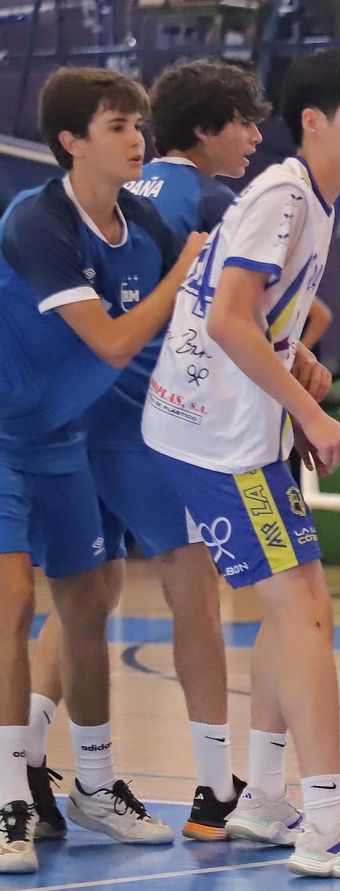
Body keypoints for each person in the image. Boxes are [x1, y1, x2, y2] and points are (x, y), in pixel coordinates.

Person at [141, 48, 340, 877]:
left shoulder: (312, 202)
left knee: (291, 606)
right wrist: (311, 411)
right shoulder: (283, 192)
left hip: (232, 429)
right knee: (305, 609)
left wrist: (297, 361)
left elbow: (254, 317)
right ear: (313, 121)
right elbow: (229, 317)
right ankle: (327, 816)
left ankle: (266, 797)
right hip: (216, 438)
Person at [24, 60, 282, 849]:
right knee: (193, 589)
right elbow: (244, 312)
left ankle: (28, 756)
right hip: (147, 421)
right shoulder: (209, 202)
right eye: (243, 121)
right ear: (206, 127)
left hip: (78, 419)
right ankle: (213, 787)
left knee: (89, 597)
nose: (253, 136)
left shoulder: (128, 200)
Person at [0, 68, 209, 874]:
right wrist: (180, 274)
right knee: (14, 603)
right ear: (71, 141)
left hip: (64, 439)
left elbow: (212, 298)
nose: (138, 140)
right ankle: (11, 794)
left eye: (140, 125)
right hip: (4, 436)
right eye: (120, 126)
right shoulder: (36, 222)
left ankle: (92, 783)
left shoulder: (146, 223)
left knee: (87, 605)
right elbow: (115, 342)